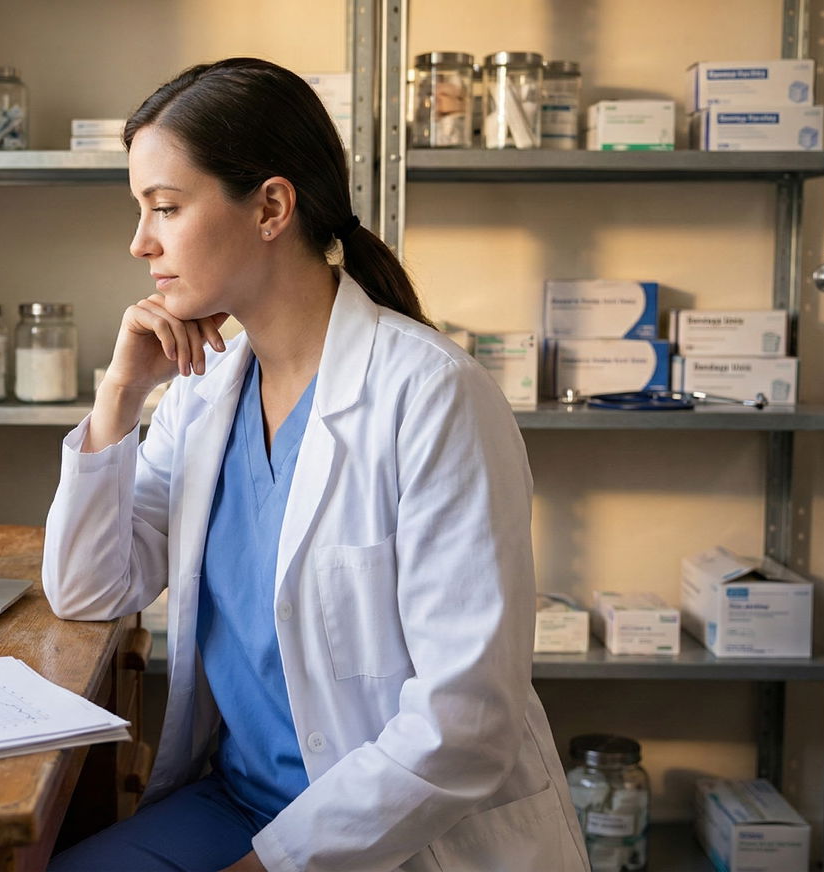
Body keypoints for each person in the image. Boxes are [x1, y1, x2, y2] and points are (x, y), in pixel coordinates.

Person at [42, 58, 587, 872]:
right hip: (239, 801)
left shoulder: (432, 398)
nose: (140, 242)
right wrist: (119, 394)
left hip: (400, 836)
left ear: (270, 207)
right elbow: (88, 588)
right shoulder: (204, 394)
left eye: (165, 207)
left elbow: (465, 724)